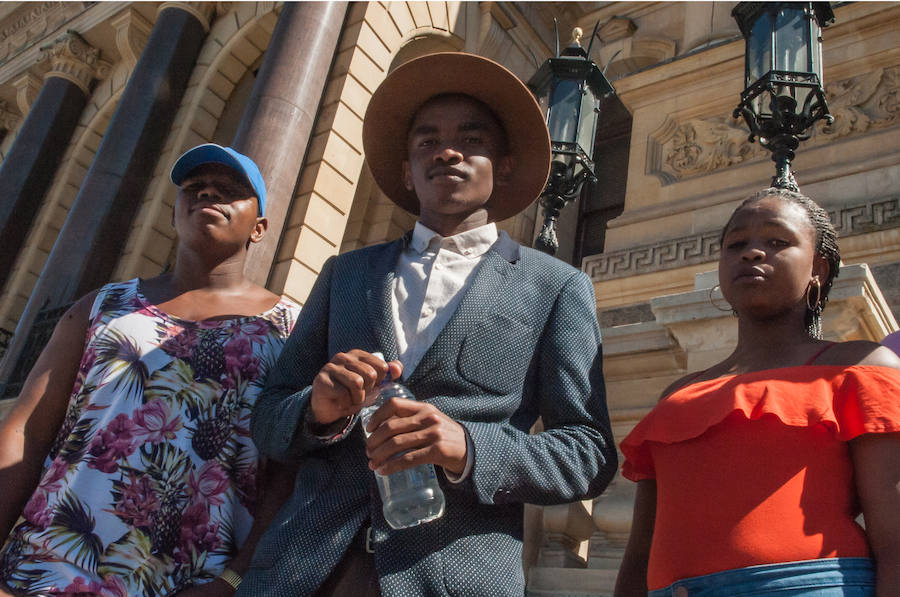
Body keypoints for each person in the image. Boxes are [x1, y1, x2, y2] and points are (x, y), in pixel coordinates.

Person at [239, 52, 618, 596]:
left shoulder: (555, 287)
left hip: (454, 576)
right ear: (406, 171)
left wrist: (468, 446)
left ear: (504, 165)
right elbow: (269, 419)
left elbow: (589, 454)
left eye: (472, 139)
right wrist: (316, 412)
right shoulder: (345, 276)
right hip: (305, 571)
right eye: (426, 141)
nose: (447, 151)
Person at [0, 144, 301, 596]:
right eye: (194, 188)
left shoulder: (290, 330)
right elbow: (28, 429)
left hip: (184, 583)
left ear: (259, 228)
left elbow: (287, 473)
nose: (208, 195)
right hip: (45, 570)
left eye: (230, 190)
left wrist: (233, 580)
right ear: (174, 214)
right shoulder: (102, 307)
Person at [615, 187, 900, 597]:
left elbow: (894, 541)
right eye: (736, 244)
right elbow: (638, 556)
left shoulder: (859, 368)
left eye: (777, 241)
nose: (751, 253)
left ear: (818, 267)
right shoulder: (678, 396)